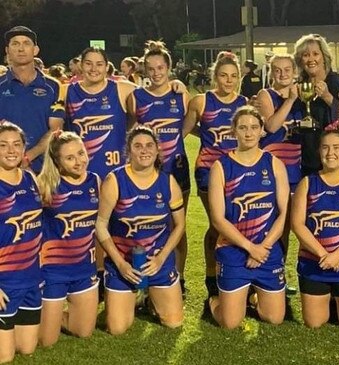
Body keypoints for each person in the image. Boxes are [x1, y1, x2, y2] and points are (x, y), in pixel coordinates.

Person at [95, 125, 185, 335]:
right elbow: (100, 224)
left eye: (149, 145)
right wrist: (120, 263)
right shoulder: (114, 180)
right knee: (117, 328)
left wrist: (161, 259)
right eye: (138, 146)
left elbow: (180, 225)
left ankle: (149, 296)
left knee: (173, 323)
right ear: (129, 150)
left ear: (157, 150)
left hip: (157, 263)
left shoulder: (168, 182)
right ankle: (129, 296)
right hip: (123, 264)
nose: (144, 151)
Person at [207, 106, 289, 329]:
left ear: (262, 130)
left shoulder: (274, 164)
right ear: (234, 131)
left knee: (274, 318)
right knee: (230, 323)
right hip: (233, 250)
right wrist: (249, 248)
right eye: (242, 127)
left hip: (267, 250)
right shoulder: (220, 167)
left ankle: (253, 298)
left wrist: (263, 247)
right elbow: (218, 219)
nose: (249, 133)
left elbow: (283, 214)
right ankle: (214, 301)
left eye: (254, 127)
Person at [127, 40, 191, 296]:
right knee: (144, 224)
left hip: (176, 167)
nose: (156, 73)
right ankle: (142, 280)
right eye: (151, 68)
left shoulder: (180, 94)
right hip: (146, 171)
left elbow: (186, 127)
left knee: (178, 225)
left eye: (161, 67)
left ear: (169, 67)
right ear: (145, 71)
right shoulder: (137, 97)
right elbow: (130, 129)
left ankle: (179, 277)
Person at [182, 51, 247, 299]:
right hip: (208, 169)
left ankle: (237, 274)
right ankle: (212, 277)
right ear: (214, 76)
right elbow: (183, 132)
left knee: (237, 224)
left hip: (238, 172)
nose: (228, 81)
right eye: (223, 75)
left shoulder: (244, 103)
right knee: (217, 225)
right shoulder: (201, 102)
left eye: (233, 76)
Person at [292, 130, 339, 329]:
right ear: (319, 152)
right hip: (315, 263)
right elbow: (297, 225)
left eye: (336, 148)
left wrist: (338, 254)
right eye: (325, 147)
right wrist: (323, 255)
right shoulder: (307, 183)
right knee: (314, 322)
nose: (330, 153)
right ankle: (333, 299)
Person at [37, 131, 99, 346]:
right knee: (46, 341)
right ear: (57, 162)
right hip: (52, 270)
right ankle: (39, 318)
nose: (79, 161)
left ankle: (55, 318)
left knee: (83, 332)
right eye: (70, 158)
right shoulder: (45, 185)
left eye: (81, 153)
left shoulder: (95, 181)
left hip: (84, 269)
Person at [0, 122, 42, 363]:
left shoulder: (29, 178)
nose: (11, 150)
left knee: (26, 349)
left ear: (24, 147)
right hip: (4, 283)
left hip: (31, 280)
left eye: (16, 144)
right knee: (4, 357)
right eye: (3, 145)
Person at [257, 54, 303, 266]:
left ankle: (281, 272)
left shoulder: (305, 94)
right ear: (271, 72)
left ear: (295, 71)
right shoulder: (266, 94)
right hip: (273, 171)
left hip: (298, 169)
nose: (283, 74)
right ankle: (272, 272)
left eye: (287, 69)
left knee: (298, 225)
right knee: (276, 225)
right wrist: (291, 99)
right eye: (277, 70)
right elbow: (272, 126)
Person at [0, 26, 65, 173]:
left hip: (43, 170)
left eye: (26, 43)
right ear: (7, 51)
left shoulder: (53, 86)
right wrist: (12, 158)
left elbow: (56, 129)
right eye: (15, 44)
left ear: (35, 50)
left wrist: (28, 156)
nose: (21, 49)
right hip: (4, 171)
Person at [64, 46, 135, 180]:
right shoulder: (66, 91)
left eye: (99, 64)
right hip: (78, 176)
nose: (94, 69)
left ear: (107, 67)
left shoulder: (122, 89)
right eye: (88, 64)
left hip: (116, 175)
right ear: (81, 65)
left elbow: (154, 93)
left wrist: (176, 85)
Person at [293, 34, 339, 176]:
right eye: (306, 55)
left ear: (324, 57)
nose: (311, 59)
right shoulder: (299, 86)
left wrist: (327, 97)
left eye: (315, 54)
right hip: (308, 160)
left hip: (337, 161)